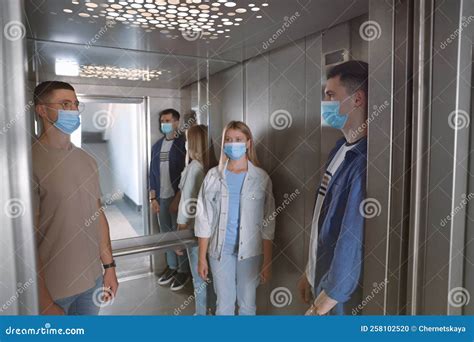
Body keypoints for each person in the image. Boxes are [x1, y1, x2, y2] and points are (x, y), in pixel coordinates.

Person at [32, 81, 118, 315]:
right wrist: (44, 301)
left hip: (91, 284)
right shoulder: (29, 162)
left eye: (75, 104)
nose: (73, 110)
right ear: (41, 110)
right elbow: (25, 241)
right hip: (54, 290)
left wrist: (109, 266)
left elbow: (97, 214)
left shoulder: (86, 160)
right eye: (64, 104)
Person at [298, 60, 368, 315]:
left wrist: (325, 301)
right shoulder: (340, 149)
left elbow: (351, 238)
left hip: (337, 297)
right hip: (321, 276)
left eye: (331, 95)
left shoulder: (362, 162)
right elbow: (322, 219)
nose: (325, 103)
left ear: (357, 99)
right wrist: (310, 271)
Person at [195, 121, 275, 315]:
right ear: (223, 144)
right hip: (219, 252)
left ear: (248, 143)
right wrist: (201, 258)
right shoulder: (213, 176)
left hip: (250, 252)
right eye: (228, 140)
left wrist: (267, 261)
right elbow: (203, 218)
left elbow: (268, 223)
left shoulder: (261, 178)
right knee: (224, 305)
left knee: (248, 305)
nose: (233, 144)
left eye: (238, 139)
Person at [177, 125, 217, 315]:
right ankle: (211, 311)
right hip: (211, 232)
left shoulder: (194, 168)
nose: (185, 144)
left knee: (199, 278)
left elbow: (187, 202)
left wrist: (180, 232)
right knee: (210, 276)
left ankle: (201, 314)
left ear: (192, 143)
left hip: (194, 231)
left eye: (187, 140)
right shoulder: (214, 167)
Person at [149, 108, 190, 291]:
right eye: (162, 120)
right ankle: (172, 267)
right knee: (166, 236)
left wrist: (180, 198)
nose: (163, 124)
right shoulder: (157, 146)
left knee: (178, 234)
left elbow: (186, 174)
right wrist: (153, 198)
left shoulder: (184, 144)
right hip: (161, 198)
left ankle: (183, 270)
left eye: (167, 120)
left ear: (177, 122)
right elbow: (152, 173)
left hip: (177, 198)